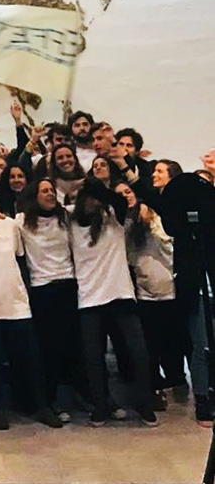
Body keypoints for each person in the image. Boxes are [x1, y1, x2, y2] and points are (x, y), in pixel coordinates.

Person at [0, 183, 62, 429]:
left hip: (15, 300)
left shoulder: (11, 225)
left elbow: (19, 256)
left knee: (29, 357)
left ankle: (40, 406)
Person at [69, 179, 156, 427]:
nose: (93, 203)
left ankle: (145, 404)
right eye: (88, 198)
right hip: (89, 298)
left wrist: (95, 187)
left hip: (120, 294)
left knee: (138, 352)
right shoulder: (71, 222)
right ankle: (100, 406)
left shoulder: (112, 216)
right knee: (93, 358)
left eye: (96, 198)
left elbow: (117, 199)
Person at [118, 183, 188, 411]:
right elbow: (129, 257)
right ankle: (155, 388)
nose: (126, 197)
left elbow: (171, 246)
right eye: (120, 195)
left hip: (170, 290)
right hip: (145, 294)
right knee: (150, 346)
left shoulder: (159, 219)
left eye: (128, 192)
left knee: (173, 343)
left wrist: (150, 220)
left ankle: (177, 382)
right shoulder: (126, 225)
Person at [16, 178, 82, 420]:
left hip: (68, 284)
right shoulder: (21, 221)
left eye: (52, 190)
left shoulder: (66, 216)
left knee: (74, 346)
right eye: (44, 191)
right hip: (42, 288)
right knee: (49, 349)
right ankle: (50, 401)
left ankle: (81, 397)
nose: (50, 194)